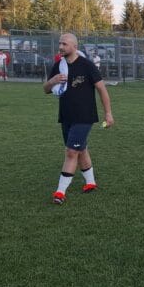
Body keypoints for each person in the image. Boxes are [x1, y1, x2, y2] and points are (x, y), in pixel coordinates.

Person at [43, 33, 114, 205]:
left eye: (64, 44)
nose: (60, 47)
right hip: (66, 116)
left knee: (71, 151)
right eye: (60, 43)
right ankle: (90, 182)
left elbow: (102, 90)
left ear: (74, 46)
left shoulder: (87, 65)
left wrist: (108, 113)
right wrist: (52, 80)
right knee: (80, 148)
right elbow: (45, 89)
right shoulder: (58, 66)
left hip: (85, 116)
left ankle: (60, 192)